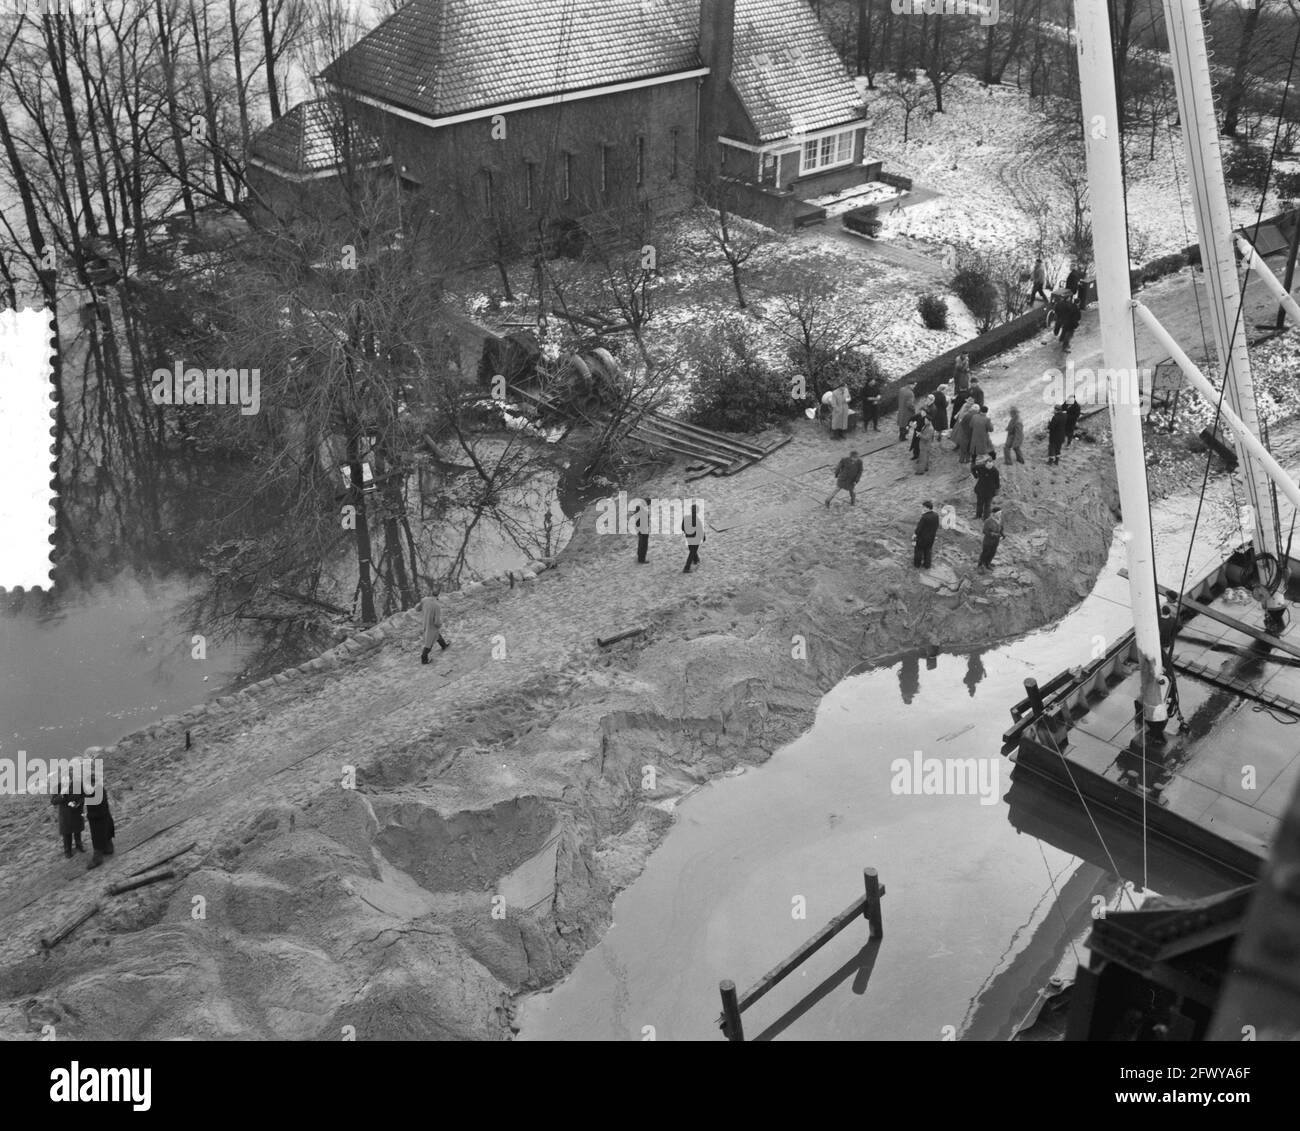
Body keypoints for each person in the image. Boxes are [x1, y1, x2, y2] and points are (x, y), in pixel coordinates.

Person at [84, 777, 115, 870]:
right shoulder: (100, 789)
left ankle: (97, 858)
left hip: (98, 820)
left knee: (97, 838)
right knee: (107, 833)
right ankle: (108, 848)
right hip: (105, 817)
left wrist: (88, 815)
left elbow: (97, 807)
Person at [51, 782, 85, 858]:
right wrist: (62, 795)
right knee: (66, 832)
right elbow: (53, 801)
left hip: (77, 811)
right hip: (65, 814)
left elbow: (83, 796)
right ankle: (67, 851)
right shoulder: (58, 786)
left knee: (77, 830)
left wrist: (79, 803)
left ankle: (79, 846)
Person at [419, 594, 450, 663]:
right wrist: (439, 625)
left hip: (425, 623)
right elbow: (436, 622)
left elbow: (417, 609)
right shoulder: (436, 607)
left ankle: (444, 645)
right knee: (429, 643)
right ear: (437, 597)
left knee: (437, 636)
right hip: (432, 627)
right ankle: (424, 659)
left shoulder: (424, 600)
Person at [913, 500, 940, 568]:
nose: (922, 508)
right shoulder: (936, 515)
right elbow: (936, 526)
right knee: (928, 551)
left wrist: (915, 534)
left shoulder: (924, 517)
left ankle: (917, 565)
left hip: (922, 538)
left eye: (923, 507)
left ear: (927, 508)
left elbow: (919, 528)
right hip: (931, 537)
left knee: (918, 550)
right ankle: (927, 565)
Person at [973, 454, 1000, 519]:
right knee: (979, 503)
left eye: (991, 465)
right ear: (985, 464)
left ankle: (985, 518)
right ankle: (978, 515)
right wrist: (976, 475)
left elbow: (997, 482)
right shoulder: (981, 467)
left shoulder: (995, 471)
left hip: (990, 491)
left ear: (993, 464)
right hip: (980, 489)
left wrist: (996, 491)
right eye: (988, 465)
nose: (989, 466)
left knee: (987, 505)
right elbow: (973, 468)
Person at [978, 506, 1004, 571]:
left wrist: (1003, 535)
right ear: (994, 513)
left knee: (992, 552)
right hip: (988, 541)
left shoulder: (999, 520)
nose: (1000, 515)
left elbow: (1001, 529)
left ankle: (987, 563)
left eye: (1000, 513)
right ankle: (980, 565)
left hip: (996, 541)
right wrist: (995, 535)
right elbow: (985, 531)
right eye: (998, 513)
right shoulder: (988, 521)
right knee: (985, 552)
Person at [682, 503, 706, 572]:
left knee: (692, 550)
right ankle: (686, 568)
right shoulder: (697, 520)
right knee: (692, 551)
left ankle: (696, 559)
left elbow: (682, 528)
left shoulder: (686, 518)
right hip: (695, 539)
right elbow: (700, 530)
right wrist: (703, 537)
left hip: (688, 538)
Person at [633, 497, 651, 564]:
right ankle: (642, 559)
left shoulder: (638, 507)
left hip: (639, 528)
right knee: (644, 544)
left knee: (641, 542)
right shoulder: (642, 509)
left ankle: (639, 556)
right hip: (643, 529)